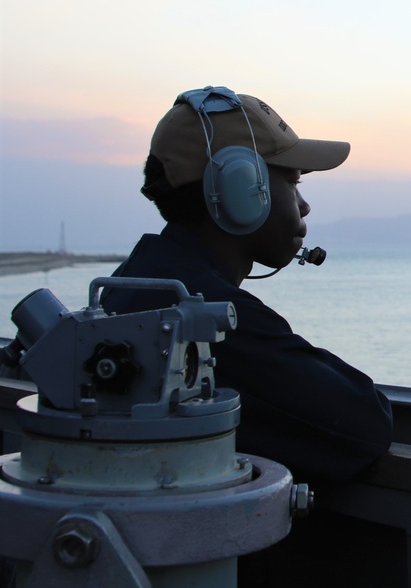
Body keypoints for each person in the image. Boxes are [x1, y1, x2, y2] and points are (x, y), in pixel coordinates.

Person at [101, 86, 393, 485]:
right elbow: (365, 426)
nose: (304, 205)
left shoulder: (132, 284)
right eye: (292, 183)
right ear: (239, 190)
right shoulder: (207, 313)